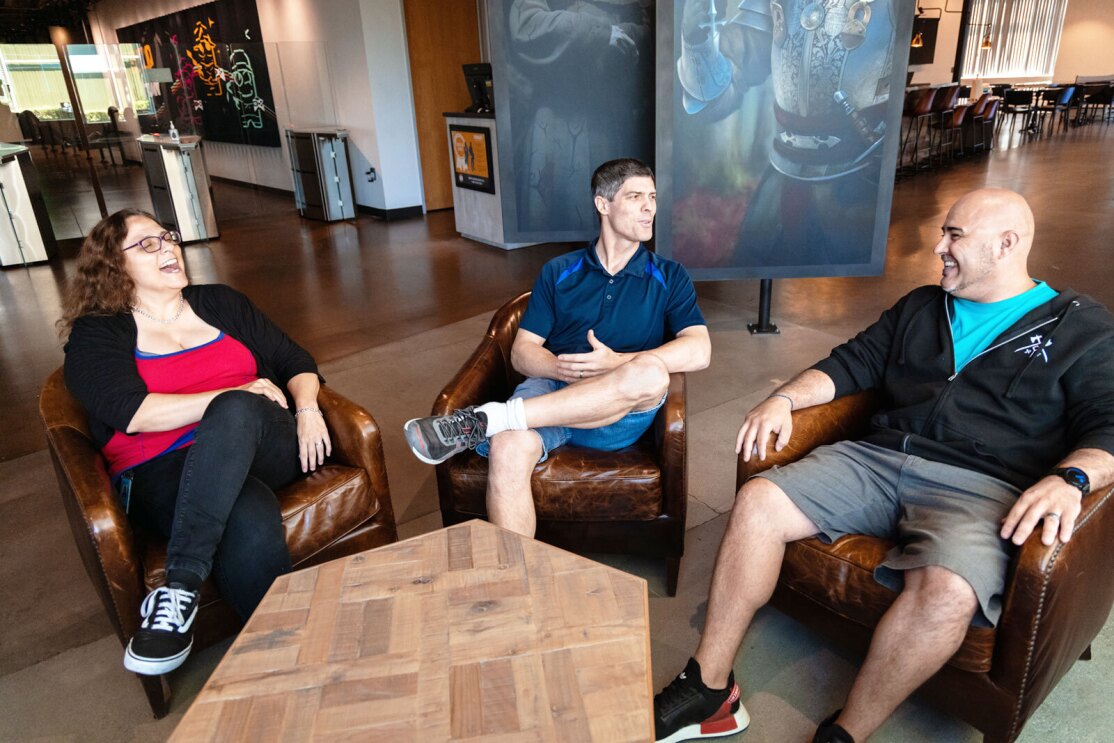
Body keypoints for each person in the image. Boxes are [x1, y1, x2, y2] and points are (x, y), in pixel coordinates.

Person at [653, 188, 1114, 742]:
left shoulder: (1079, 328)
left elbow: (1107, 422)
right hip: (876, 459)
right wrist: (783, 399)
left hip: (982, 489)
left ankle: (848, 731)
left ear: (1007, 244)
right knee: (759, 502)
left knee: (948, 589)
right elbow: (851, 364)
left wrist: (1074, 478)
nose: (938, 246)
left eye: (955, 235)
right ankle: (710, 688)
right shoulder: (922, 305)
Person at [59, 209, 332, 676]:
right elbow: (134, 413)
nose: (168, 247)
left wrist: (307, 410)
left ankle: (180, 585)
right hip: (161, 471)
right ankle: (293, 662)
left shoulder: (221, 303)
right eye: (147, 244)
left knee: (237, 408)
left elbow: (294, 358)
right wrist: (229, 393)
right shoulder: (98, 332)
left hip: (265, 442)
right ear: (112, 265)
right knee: (244, 511)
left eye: (167, 237)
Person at [404, 158, 711, 536]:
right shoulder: (559, 271)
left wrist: (617, 361)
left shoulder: (669, 275)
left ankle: (492, 418)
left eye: (652, 196)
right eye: (635, 197)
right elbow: (522, 351)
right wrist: (558, 369)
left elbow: (699, 350)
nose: (650, 207)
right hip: (552, 391)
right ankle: (517, 585)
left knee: (649, 373)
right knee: (507, 449)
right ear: (603, 204)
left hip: (617, 411)